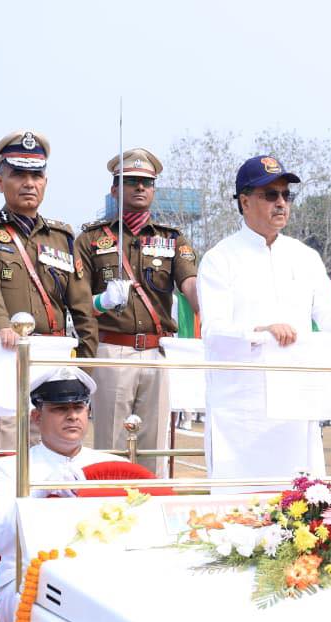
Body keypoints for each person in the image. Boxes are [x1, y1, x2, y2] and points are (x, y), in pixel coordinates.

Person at [196, 155, 331, 481]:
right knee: (241, 505)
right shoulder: (219, 258)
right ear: (245, 202)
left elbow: (328, 313)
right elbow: (214, 329)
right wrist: (260, 331)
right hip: (242, 408)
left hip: (296, 401)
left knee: (298, 503)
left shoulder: (304, 257)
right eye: (270, 195)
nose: (281, 203)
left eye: (286, 195)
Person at [0, 130, 97, 486]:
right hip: (1, 354)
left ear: (45, 181)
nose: (28, 183)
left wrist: (87, 362)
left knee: (53, 466)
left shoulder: (62, 237)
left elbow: (81, 304)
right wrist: (0, 324)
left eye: (36, 175)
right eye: (18, 174)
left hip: (52, 359)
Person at [75, 148, 200, 473]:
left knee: (154, 451)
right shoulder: (90, 239)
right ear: (115, 189)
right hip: (112, 349)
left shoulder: (171, 239)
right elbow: (75, 305)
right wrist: (101, 302)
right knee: (111, 448)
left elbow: (190, 285)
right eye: (130, 181)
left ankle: (151, 513)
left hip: (157, 352)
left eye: (146, 182)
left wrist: (214, 310)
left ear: (155, 189)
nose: (139, 188)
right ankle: (109, 514)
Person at [0, 367, 115, 622]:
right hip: (25, 582)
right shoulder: (9, 469)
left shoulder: (111, 465)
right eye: (60, 409)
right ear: (36, 417)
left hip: (99, 578)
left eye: (79, 407)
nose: (73, 415)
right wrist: (38, 491)